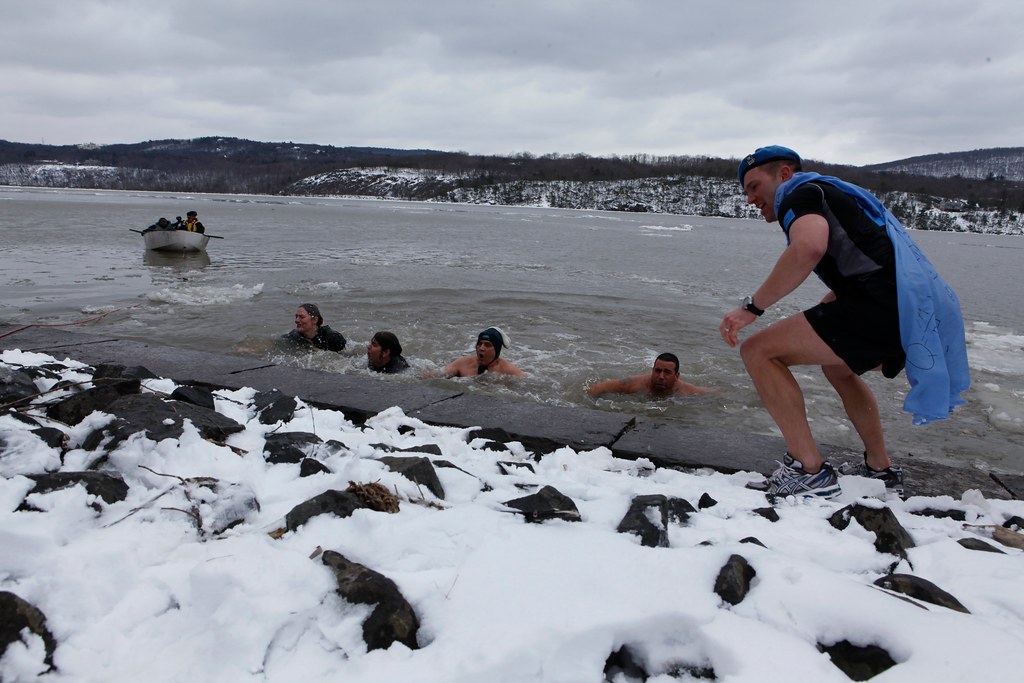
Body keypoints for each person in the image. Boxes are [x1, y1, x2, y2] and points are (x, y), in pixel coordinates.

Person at [720, 145, 969, 499]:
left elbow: (808, 247)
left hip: (882, 303)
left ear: (785, 174)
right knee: (836, 367)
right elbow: (869, 263)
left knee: (758, 351)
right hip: (907, 304)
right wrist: (823, 310)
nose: (750, 198)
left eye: (755, 186)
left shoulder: (800, 195)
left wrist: (752, 307)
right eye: (746, 191)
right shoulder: (829, 192)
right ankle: (879, 468)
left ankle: (809, 471)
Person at [587, 352, 717, 398]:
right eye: (657, 370)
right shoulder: (635, 384)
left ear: (676, 376)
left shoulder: (687, 391)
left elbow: (716, 393)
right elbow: (597, 388)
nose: (661, 376)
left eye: (667, 372)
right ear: (652, 370)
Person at [440, 327, 525, 377]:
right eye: (479, 344)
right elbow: (436, 374)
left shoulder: (508, 370)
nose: (481, 348)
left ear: (496, 350)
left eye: (487, 345)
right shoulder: (464, 363)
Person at [281, 303, 346, 352]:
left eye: (302, 317)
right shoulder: (292, 337)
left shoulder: (332, 338)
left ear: (315, 320)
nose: (296, 320)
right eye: (296, 317)